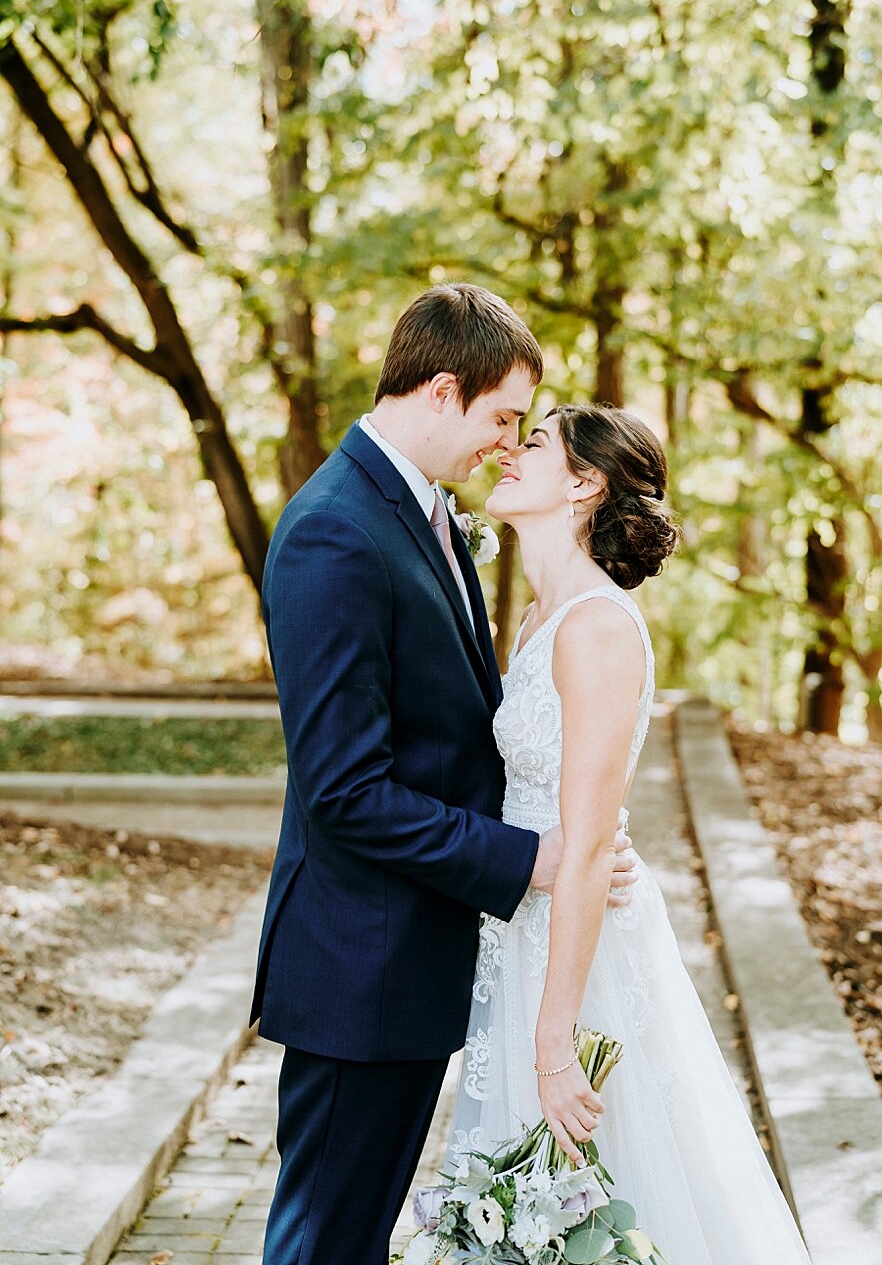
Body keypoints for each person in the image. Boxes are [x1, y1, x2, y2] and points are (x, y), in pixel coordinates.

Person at [251, 285, 637, 1265]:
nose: (506, 446)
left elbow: (455, 741)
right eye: (501, 417)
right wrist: (532, 860)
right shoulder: (335, 529)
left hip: (413, 965)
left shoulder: (420, 512)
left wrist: (576, 833)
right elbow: (344, 792)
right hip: (357, 972)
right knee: (323, 1243)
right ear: (438, 391)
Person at [447, 403, 813, 1264]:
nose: (508, 452)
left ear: (584, 483)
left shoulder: (599, 629)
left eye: (532, 443)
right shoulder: (541, 618)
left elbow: (585, 839)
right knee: (523, 1198)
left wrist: (554, 1039)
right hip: (520, 929)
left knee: (591, 1189)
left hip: (577, 952)